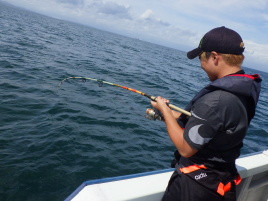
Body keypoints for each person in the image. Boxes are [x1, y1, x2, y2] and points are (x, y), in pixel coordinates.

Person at [151, 26, 262, 201]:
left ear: (215, 57)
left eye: (201, 58)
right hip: (220, 181)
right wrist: (167, 113)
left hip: (197, 186)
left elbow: (186, 148)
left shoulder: (216, 100)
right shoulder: (243, 91)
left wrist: (163, 108)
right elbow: (211, 125)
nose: (200, 64)